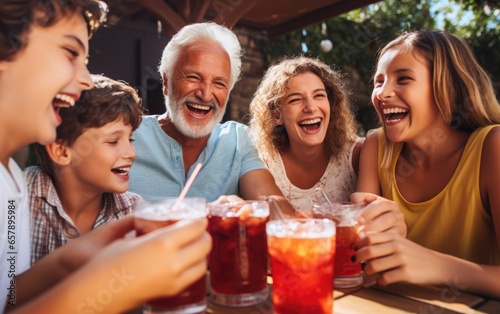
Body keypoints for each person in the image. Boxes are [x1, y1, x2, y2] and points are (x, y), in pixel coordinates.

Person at [0, 1, 210, 312]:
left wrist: (66, 262)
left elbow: (8, 298)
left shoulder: (10, 181)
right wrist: (111, 286)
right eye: (70, 53)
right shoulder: (26, 189)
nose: (85, 79)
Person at [354, 30, 500, 298]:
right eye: (378, 81)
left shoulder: (493, 147)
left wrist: (438, 266)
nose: (383, 93)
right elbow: (360, 254)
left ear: (448, 86)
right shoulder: (376, 146)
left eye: (404, 79)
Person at [128, 22, 295, 217]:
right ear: (166, 82)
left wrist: (251, 208)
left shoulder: (237, 140)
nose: (206, 95)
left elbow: (275, 206)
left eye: (219, 83)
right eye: (193, 77)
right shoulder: (127, 135)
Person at [26, 74, 144, 264]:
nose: (131, 153)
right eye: (113, 141)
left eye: (130, 140)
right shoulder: (20, 199)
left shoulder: (134, 211)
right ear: (62, 152)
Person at [248, 56, 363, 216]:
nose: (311, 107)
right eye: (295, 99)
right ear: (276, 116)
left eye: (319, 96)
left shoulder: (358, 155)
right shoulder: (261, 162)